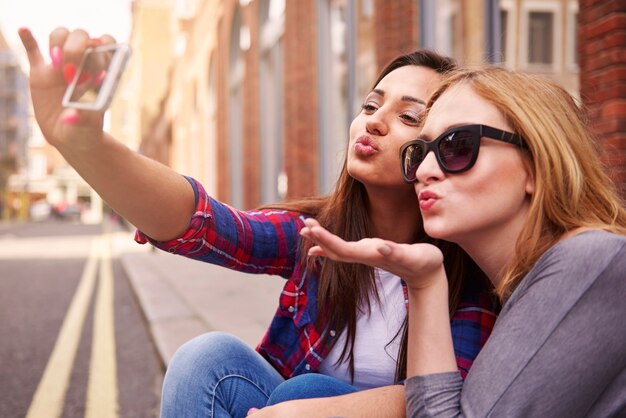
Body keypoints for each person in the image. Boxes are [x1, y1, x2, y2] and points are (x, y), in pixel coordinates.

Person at [19, 27, 498, 418]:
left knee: (305, 392)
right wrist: (87, 147)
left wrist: (310, 411)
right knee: (206, 360)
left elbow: (448, 400)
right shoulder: (317, 234)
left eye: (409, 116)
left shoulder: (466, 261)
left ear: (444, 145)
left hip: (310, 411)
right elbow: (207, 225)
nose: (373, 122)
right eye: (370, 106)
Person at [282, 66, 626, 417]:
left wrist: (425, 284)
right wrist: (424, 280)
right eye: (418, 152)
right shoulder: (527, 283)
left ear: (536, 166)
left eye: (457, 146)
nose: (422, 171)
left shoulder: (592, 259)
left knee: (302, 395)